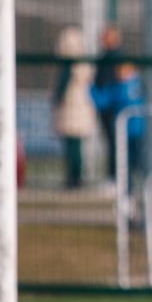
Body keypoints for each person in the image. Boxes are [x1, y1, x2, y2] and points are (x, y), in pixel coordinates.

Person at [52, 26, 97, 189]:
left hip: (71, 108)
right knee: (76, 145)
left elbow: (62, 89)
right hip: (82, 107)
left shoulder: (70, 65)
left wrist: (56, 99)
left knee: (73, 145)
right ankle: (76, 177)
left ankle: (74, 178)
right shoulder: (85, 63)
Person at [91, 56, 144, 188]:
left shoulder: (121, 88)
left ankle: (130, 187)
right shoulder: (137, 85)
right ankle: (131, 187)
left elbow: (102, 100)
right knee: (131, 162)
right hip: (135, 131)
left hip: (129, 132)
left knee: (128, 161)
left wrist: (89, 88)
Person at [94, 25, 126, 185]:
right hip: (105, 105)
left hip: (113, 106)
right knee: (110, 142)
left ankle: (116, 177)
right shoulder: (104, 58)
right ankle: (113, 176)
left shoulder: (117, 58)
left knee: (116, 142)